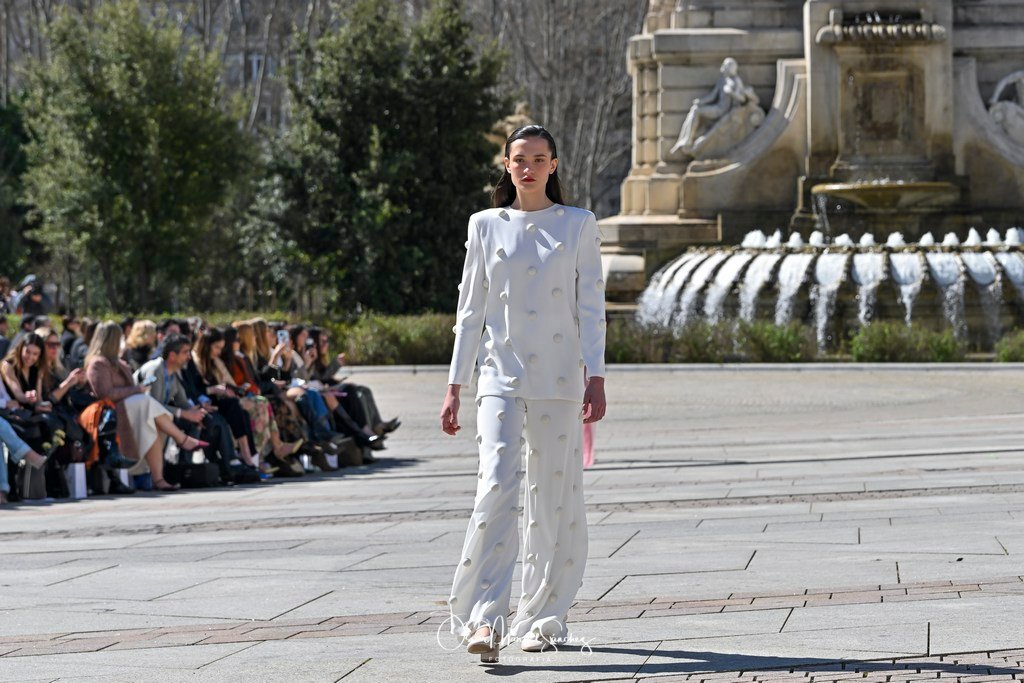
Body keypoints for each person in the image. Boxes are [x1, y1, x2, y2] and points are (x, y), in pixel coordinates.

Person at [439, 125, 607, 661]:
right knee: (495, 484)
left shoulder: (578, 224)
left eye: (538, 159)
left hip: (560, 380)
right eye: (519, 159)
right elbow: (470, 311)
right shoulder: (485, 225)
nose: (528, 168)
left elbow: (591, 308)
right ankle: (483, 619)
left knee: (552, 498)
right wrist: (455, 386)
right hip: (499, 376)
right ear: (507, 165)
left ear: (553, 165)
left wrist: (596, 376)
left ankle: (543, 618)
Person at [85, 321, 206, 492]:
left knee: (153, 423)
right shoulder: (98, 364)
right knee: (147, 402)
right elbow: (105, 394)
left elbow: (180, 399)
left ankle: (158, 479)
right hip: (110, 411)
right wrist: (137, 389)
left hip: (130, 409)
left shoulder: (120, 364)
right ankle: (182, 439)